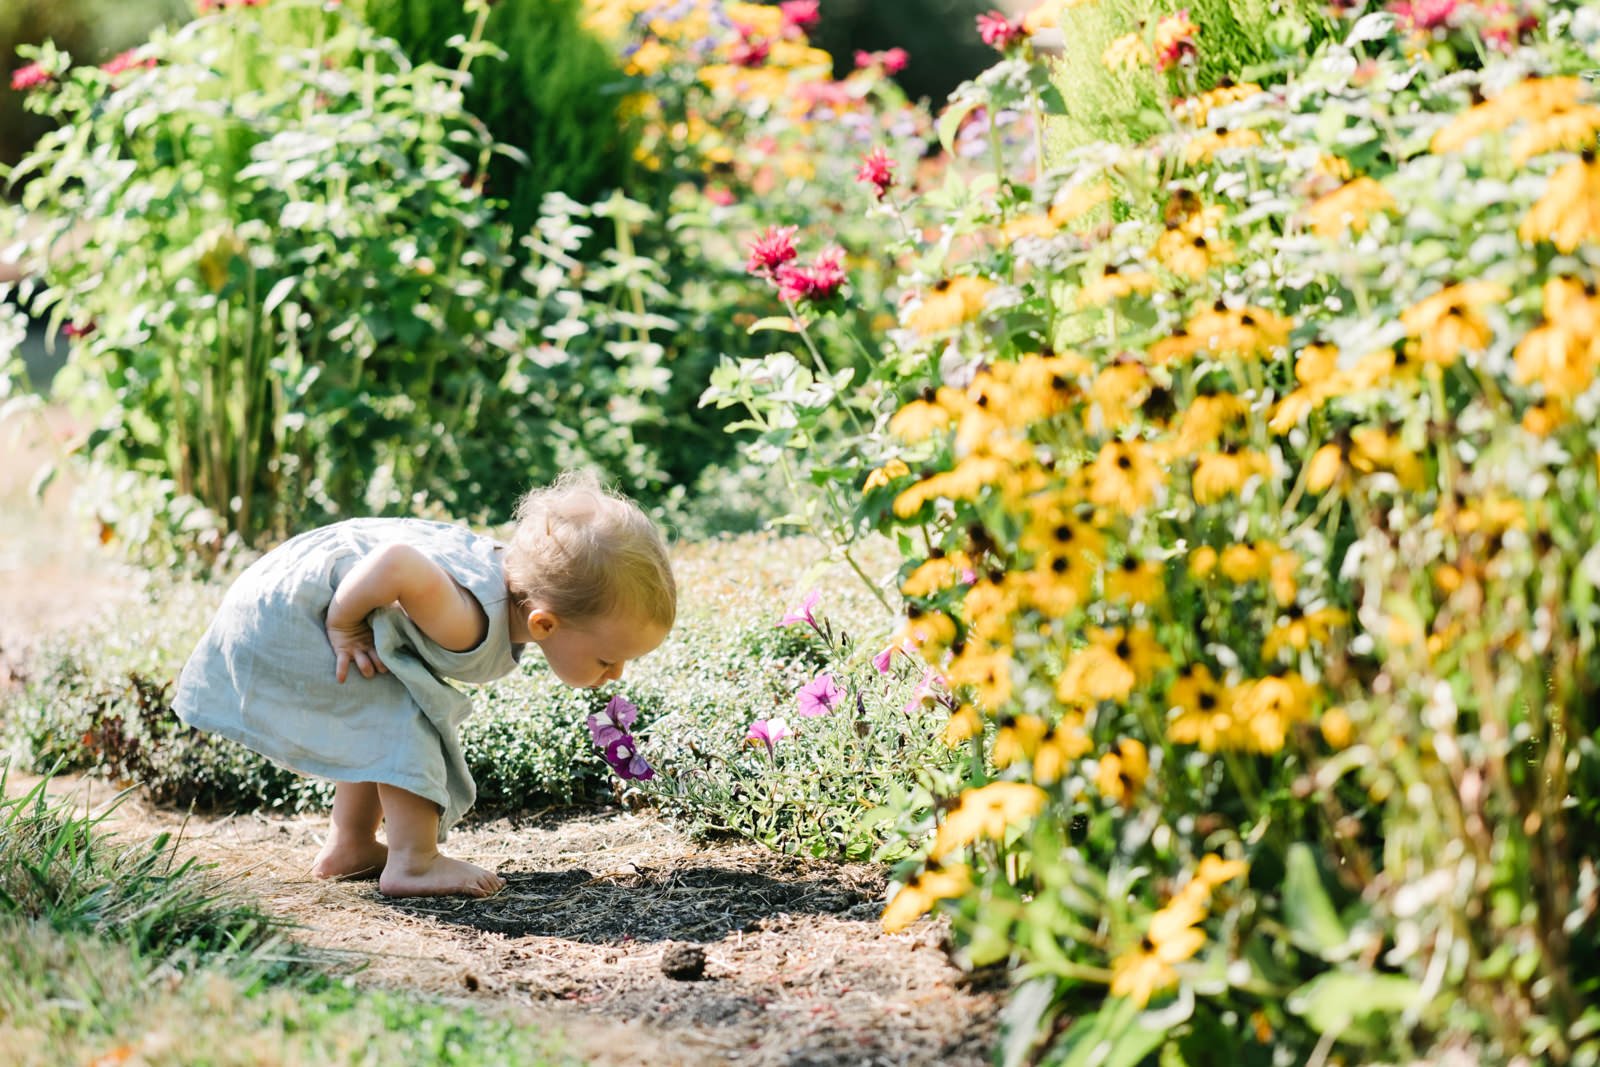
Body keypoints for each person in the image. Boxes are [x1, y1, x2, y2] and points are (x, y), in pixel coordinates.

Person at [173, 471, 675, 898]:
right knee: (408, 715)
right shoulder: (469, 618)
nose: (615, 675)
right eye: (608, 659)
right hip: (292, 616)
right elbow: (398, 564)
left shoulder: (507, 586)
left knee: (383, 699)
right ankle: (413, 861)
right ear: (543, 623)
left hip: (291, 596)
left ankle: (350, 845)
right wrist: (344, 625)